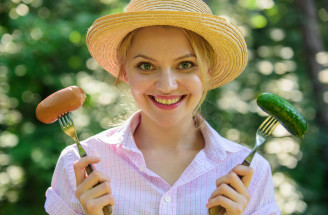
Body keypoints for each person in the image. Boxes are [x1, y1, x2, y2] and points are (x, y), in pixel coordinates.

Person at [45, 0, 280, 214]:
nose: (167, 85)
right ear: (124, 72)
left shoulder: (252, 173)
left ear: (208, 71)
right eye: (146, 66)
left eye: (185, 64)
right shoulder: (77, 166)